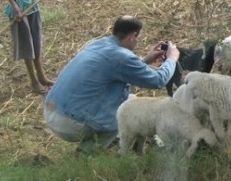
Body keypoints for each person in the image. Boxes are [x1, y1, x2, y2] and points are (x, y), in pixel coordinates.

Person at [44, 15, 180, 154]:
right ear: (134, 35)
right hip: (71, 124)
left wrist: (145, 60)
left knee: (131, 101)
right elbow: (158, 80)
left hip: (51, 111)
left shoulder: (97, 43)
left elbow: (115, 67)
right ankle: (87, 153)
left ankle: (116, 140)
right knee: (125, 114)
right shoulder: (121, 57)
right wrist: (172, 59)